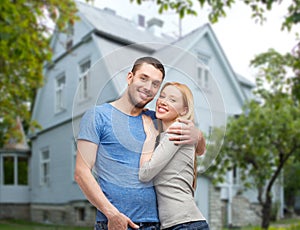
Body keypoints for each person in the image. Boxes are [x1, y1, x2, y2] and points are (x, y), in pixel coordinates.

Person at [74, 57, 206, 230]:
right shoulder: (98, 116)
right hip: (116, 222)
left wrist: (198, 135)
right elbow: (81, 172)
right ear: (130, 78)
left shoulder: (157, 119)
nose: (148, 88)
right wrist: (112, 214)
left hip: (156, 224)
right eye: (143, 78)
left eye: (155, 84)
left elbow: (199, 150)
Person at [139, 82, 209, 230]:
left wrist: (150, 136)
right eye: (162, 96)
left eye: (172, 99)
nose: (163, 101)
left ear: (184, 111)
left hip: (184, 224)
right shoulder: (166, 134)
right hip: (179, 223)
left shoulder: (178, 131)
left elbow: (145, 174)